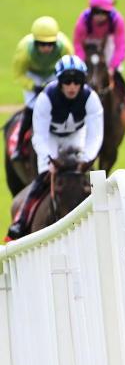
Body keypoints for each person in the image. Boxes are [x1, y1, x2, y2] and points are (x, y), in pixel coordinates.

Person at [7, 55, 102, 240]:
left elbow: (96, 135)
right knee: (43, 177)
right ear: (59, 82)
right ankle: (21, 221)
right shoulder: (46, 97)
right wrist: (50, 160)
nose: (72, 86)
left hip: (76, 136)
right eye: (67, 81)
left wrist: (86, 160)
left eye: (77, 81)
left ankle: (102, 218)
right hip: (50, 138)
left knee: (89, 175)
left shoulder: (91, 98)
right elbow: (40, 136)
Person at [10, 16, 74, 160]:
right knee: (32, 106)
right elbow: (18, 74)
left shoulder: (65, 47)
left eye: (50, 44)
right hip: (32, 75)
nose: (46, 48)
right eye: (42, 44)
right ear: (35, 42)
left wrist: (60, 84)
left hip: (55, 74)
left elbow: (70, 69)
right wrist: (33, 86)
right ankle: (18, 146)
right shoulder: (24, 51)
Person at [72, 0, 125, 117]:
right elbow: (77, 43)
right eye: (96, 12)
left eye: (104, 13)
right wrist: (81, 63)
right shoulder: (83, 20)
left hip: (108, 43)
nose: (100, 16)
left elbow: (120, 46)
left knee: (118, 74)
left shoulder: (117, 20)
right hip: (89, 44)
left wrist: (113, 67)